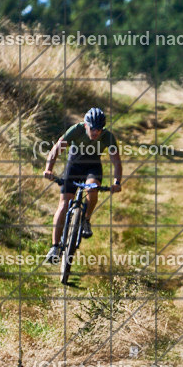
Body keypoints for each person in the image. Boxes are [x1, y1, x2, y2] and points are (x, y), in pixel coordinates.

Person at [43, 107, 122, 262]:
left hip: (92, 168)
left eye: (99, 129)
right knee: (64, 204)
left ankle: (86, 219)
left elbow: (116, 162)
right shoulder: (77, 130)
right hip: (74, 165)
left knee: (92, 189)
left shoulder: (108, 137)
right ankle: (55, 246)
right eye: (92, 129)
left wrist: (117, 182)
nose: (96, 133)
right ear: (86, 125)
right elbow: (57, 149)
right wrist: (48, 169)